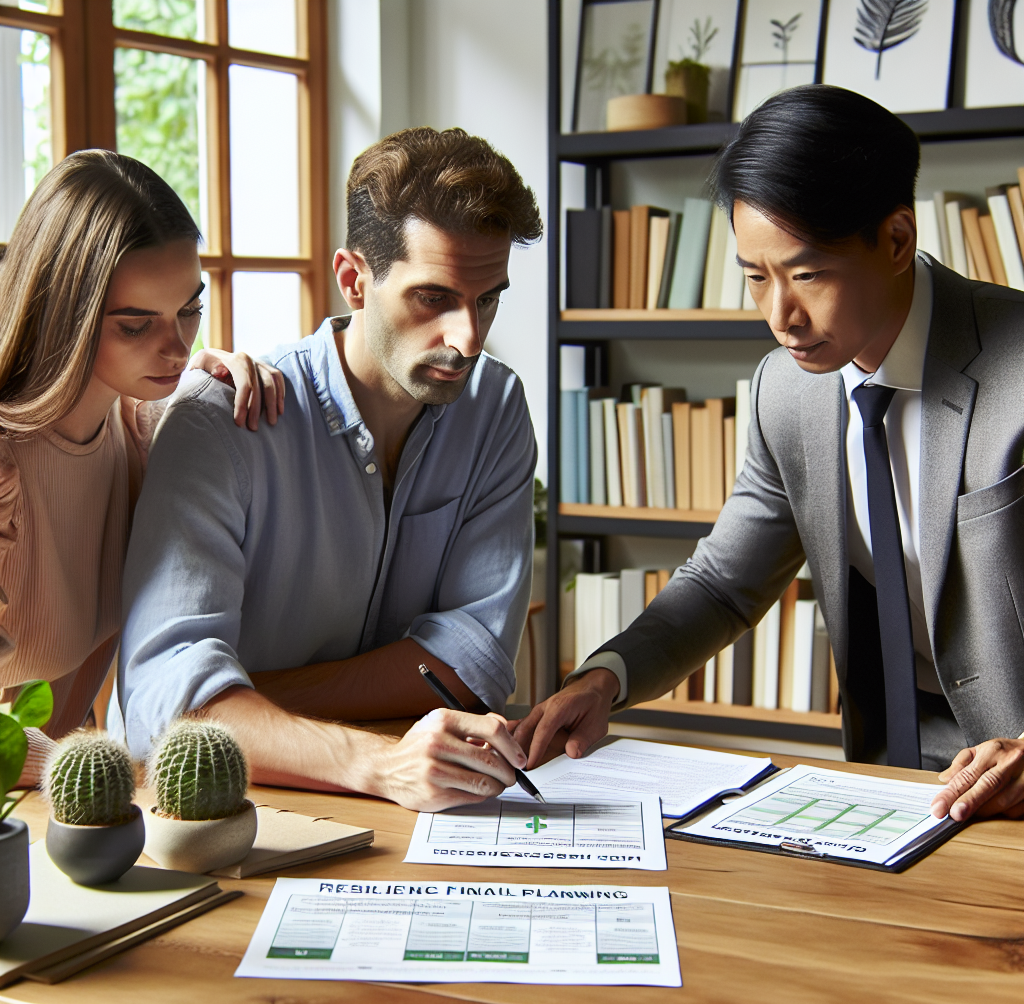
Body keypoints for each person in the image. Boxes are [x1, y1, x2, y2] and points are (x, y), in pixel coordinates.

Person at [515, 85, 1024, 823]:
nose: (780, 316)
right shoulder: (784, 392)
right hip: (896, 781)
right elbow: (725, 583)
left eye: (806, 274)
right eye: (756, 277)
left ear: (895, 240)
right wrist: (605, 679)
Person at [113, 127, 542, 812]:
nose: (468, 339)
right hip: (219, 807)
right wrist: (371, 760)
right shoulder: (221, 421)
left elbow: (473, 660)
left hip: (405, 808)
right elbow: (165, 703)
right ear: (353, 279)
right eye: (434, 298)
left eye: (487, 299)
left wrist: (242, 703)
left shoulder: (494, 408)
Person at [0, 150, 286, 784]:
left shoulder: (140, 430)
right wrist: (97, 774)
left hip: (55, 798)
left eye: (189, 309)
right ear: (60, 314)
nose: (177, 347)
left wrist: (215, 387)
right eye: (137, 324)